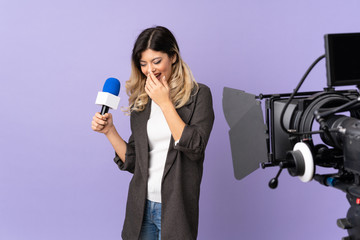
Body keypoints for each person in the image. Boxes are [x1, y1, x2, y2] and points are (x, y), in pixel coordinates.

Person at [91, 26, 214, 240]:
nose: (150, 70)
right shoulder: (142, 99)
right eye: (143, 64)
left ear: (173, 57)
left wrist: (165, 103)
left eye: (157, 61)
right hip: (141, 208)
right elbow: (133, 163)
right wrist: (110, 131)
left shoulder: (199, 95)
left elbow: (195, 148)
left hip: (175, 210)